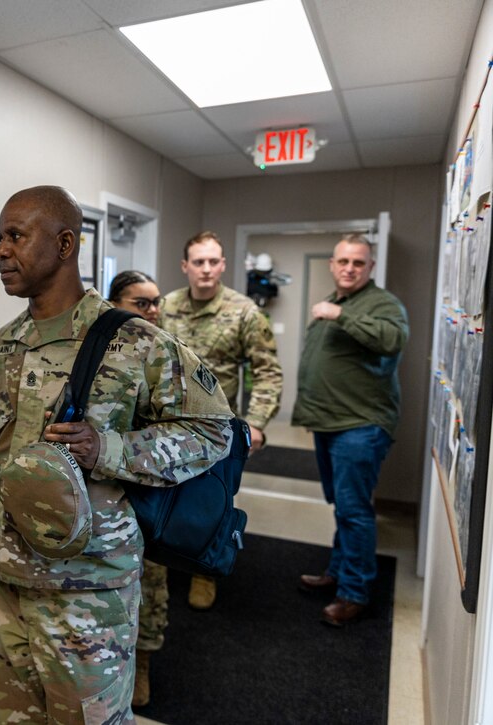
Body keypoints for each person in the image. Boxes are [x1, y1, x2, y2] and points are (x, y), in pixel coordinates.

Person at [0, 187, 234, 724]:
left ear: (64, 245)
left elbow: (214, 430)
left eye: (15, 236)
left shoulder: (135, 343)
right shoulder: (0, 348)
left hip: (91, 595)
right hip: (8, 588)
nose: (0, 251)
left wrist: (112, 448)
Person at [158, 231, 283, 611]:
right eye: (199, 262)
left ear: (223, 265)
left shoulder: (244, 311)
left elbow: (267, 372)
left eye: (213, 261)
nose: (207, 269)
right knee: (163, 497)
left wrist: (257, 423)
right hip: (165, 423)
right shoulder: (166, 307)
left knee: (211, 503)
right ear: (186, 267)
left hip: (217, 429)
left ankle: (205, 571)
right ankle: (163, 561)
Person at [292, 234, 408, 626]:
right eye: (343, 261)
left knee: (355, 512)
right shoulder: (339, 301)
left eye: (358, 262)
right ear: (332, 263)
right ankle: (339, 573)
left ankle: (354, 592)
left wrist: (340, 316)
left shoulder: (380, 304)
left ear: (370, 267)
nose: (349, 268)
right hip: (332, 423)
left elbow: (393, 339)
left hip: (360, 426)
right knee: (344, 507)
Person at [108, 270, 165, 708]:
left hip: (153, 486)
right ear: (114, 304)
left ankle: (143, 662)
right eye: (140, 303)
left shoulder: (167, 352)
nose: (151, 311)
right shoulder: (96, 352)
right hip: (106, 491)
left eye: (155, 302)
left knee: (153, 581)